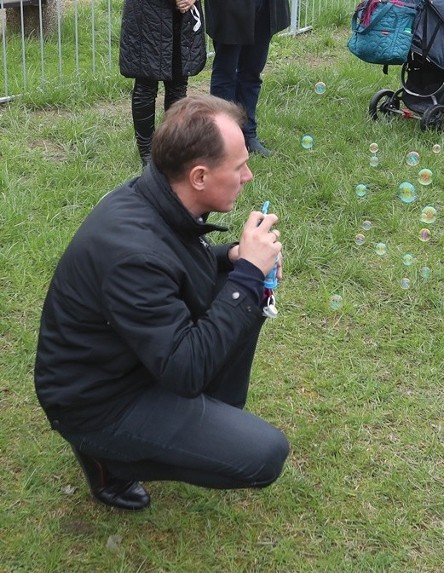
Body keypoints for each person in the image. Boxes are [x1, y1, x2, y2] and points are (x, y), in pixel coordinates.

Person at [34, 95, 290, 510]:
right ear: (200, 177)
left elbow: (176, 260)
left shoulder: (157, 196)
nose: (249, 175)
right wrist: (246, 277)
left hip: (129, 361)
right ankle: (108, 458)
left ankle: (203, 417)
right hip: (96, 401)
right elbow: (185, 370)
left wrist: (233, 258)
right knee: (265, 455)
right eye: (239, 166)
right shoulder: (132, 253)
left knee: (242, 286)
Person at [119, 0, 207, 167]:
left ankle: (172, 145)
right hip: (147, 12)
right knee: (146, 83)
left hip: (182, 13)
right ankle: (147, 153)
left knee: (178, 83)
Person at [205, 0, 291, 157]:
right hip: (230, 7)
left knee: (252, 72)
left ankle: (248, 135)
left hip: (266, 5)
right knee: (226, 74)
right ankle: (223, 138)